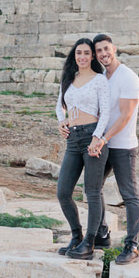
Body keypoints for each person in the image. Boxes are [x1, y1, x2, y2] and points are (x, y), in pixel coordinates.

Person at [88, 33, 139, 265]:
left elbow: (125, 114)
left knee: (129, 194)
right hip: (103, 142)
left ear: (114, 49)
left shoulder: (127, 77)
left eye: (106, 49)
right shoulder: (101, 77)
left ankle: (132, 245)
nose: (103, 54)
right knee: (94, 188)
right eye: (98, 51)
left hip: (122, 145)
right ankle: (101, 233)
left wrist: (103, 138)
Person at [55, 37, 111, 260]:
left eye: (87, 53)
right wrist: (61, 121)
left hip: (92, 136)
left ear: (92, 56)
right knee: (63, 192)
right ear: (74, 56)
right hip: (73, 139)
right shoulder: (69, 78)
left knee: (92, 192)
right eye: (79, 53)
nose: (82, 57)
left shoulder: (99, 80)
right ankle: (76, 236)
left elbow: (105, 112)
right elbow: (60, 105)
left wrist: (97, 138)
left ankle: (90, 241)